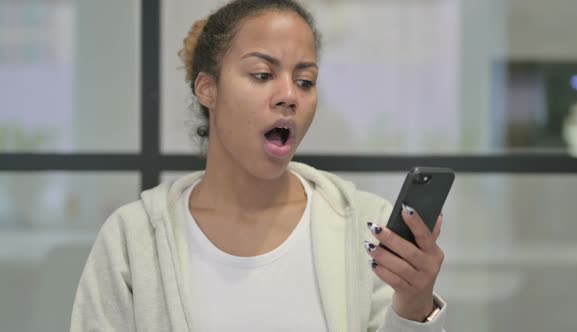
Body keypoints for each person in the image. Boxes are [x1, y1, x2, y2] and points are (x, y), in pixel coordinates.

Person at [71, 0, 447, 331]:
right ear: (207, 89)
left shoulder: (369, 230)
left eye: (305, 81)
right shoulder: (132, 239)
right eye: (263, 75)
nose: (288, 96)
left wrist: (414, 310)